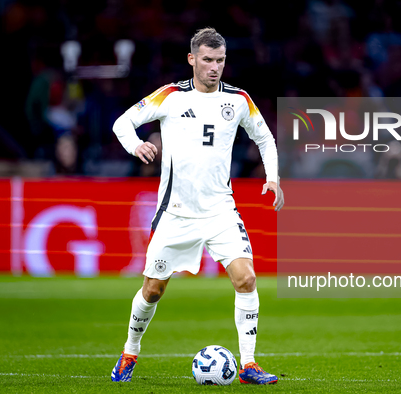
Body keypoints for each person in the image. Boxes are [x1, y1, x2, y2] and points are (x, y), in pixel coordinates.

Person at [110, 27, 284, 385]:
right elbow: (122, 123)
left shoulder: (237, 100)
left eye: (220, 60)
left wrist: (273, 176)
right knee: (153, 289)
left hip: (220, 211)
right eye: (207, 60)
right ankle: (130, 351)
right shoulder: (170, 96)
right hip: (174, 213)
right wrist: (136, 145)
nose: (214, 67)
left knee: (247, 278)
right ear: (192, 59)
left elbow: (264, 137)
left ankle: (249, 366)